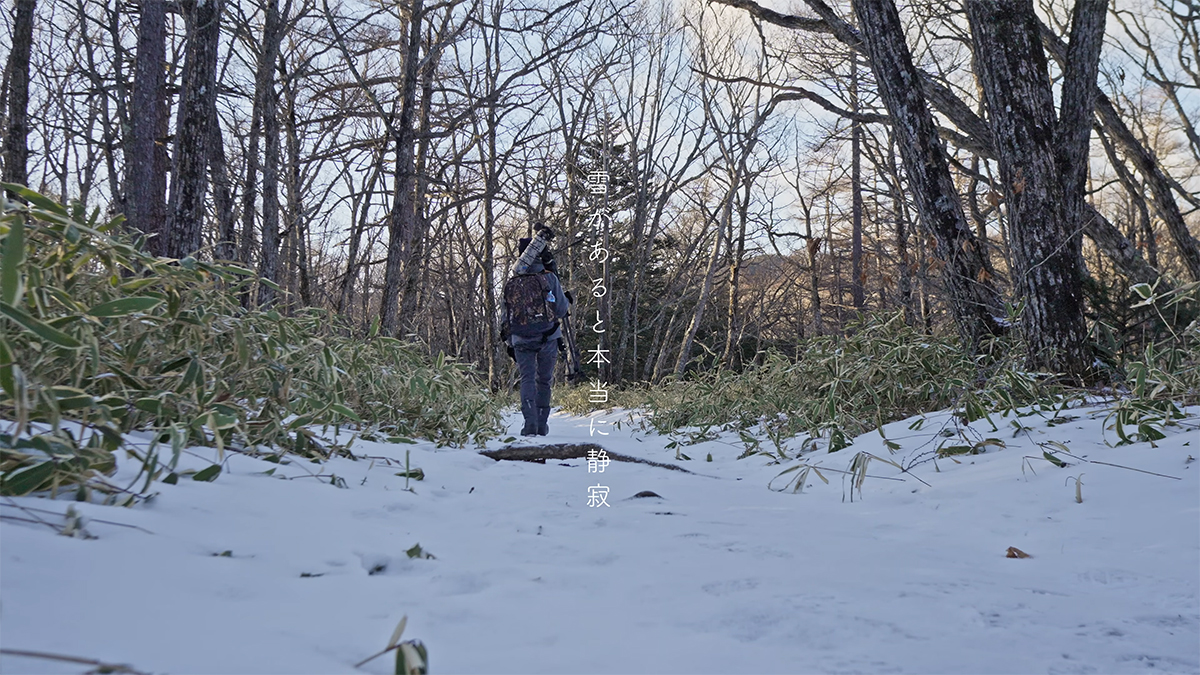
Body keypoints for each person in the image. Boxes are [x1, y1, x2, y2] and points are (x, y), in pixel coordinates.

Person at [500, 234, 572, 436]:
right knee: (544, 380)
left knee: (527, 379)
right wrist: (566, 299)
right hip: (547, 337)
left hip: (521, 339)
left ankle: (529, 423)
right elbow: (560, 310)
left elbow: (504, 315)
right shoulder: (549, 277)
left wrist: (508, 341)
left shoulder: (512, 281)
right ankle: (542, 423)